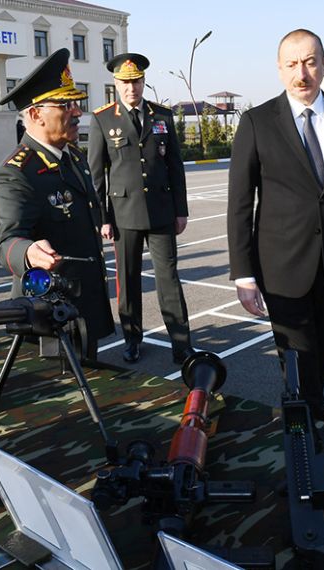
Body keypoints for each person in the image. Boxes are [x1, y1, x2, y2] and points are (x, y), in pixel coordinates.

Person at [227, 29, 324, 423]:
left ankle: (301, 424)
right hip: (280, 268)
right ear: (279, 69)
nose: (302, 74)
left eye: (311, 62)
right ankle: (312, 434)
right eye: (293, 64)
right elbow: (240, 204)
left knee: (321, 359)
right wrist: (243, 274)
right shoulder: (257, 123)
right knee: (298, 363)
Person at [0, 47, 114, 360]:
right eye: (65, 105)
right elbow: (7, 241)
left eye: (76, 103)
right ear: (35, 114)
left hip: (83, 301)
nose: (77, 112)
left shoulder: (74, 156)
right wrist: (28, 252)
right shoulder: (17, 172)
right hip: (49, 311)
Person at [89, 53, 193, 365]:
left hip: (161, 210)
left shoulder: (161, 115)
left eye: (135, 81)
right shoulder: (103, 119)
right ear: (115, 84)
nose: (131, 87)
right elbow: (97, 175)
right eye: (125, 82)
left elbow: (175, 166)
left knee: (168, 279)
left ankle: (181, 343)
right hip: (123, 214)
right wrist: (102, 219)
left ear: (143, 81)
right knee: (129, 280)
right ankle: (132, 339)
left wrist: (181, 210)